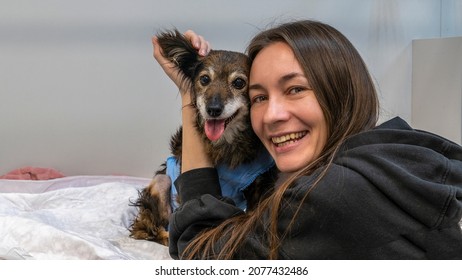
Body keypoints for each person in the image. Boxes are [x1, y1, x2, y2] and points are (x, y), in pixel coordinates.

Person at [152, 20, 462, 259]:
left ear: (340, 91)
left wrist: (187, 97)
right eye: (259, 97)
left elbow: (200, 253)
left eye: (295, 89)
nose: (272, 114)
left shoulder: (332, 195)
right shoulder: (398, 151)